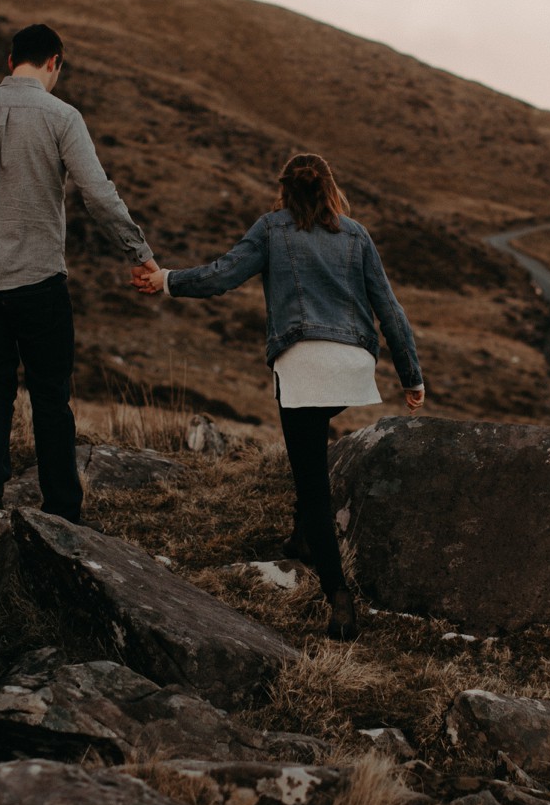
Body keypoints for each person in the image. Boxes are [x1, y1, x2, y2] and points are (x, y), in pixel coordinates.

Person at [136, 153, 424, 640]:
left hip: (302, 361)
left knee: (311, 478)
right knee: (311, 439)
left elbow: (223, 275)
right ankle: (300, 537)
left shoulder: (272, 230)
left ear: (285, 191)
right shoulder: (355, 234)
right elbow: (389, 308)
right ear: (330, 189)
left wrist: (166, 279)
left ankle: (337, 595)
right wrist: (411, 375)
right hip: (352, 364)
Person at [0, 22, 158, 517]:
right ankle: (62, 509)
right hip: (37, 279)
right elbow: (97, 193)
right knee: (50, 396)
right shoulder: (62, 116)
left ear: (11, 61)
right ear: (55, 62)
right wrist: (138, 252)